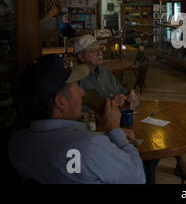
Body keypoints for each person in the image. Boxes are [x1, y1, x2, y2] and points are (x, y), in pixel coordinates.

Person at [8, 54, 146, 184]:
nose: (82, 92)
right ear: (61, 102)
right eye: (76, 86)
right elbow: (137, 178)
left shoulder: (16, 143)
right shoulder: (90, 147)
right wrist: (115, 130)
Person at [74, 34, 138, 108]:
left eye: (100, 48)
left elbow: (121, 90)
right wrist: (111, 103)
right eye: (93, 50)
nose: (100, 53)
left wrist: (129, 94)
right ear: (81, 57)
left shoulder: (104, 71)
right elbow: (81, 110)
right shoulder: (77, 80)